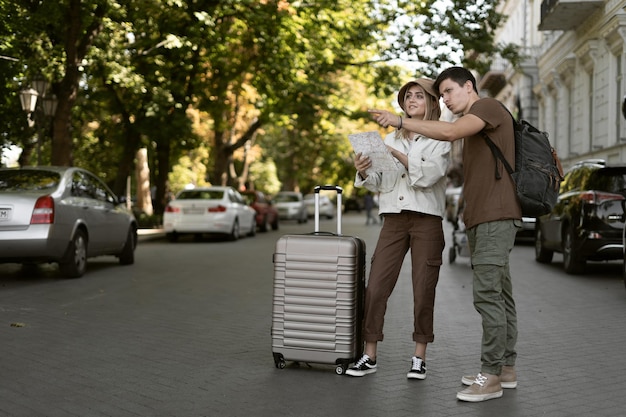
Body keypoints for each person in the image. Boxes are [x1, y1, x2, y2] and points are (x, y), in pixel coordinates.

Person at [369, 66, 522, 403]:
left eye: (450, 91)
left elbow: (450, 133)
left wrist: (400, 122)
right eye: (443, 94)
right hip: (482, 217)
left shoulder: (486, 108)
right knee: (501, 293)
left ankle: (491, 375)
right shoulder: (474, 122)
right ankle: (506, 368)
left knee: (486, 295)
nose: (447, 99)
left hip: (496, 216)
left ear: (469, 87)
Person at [346, 78, 450, 380]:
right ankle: (369, 354)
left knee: (423, 288)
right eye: (407, 96)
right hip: (393, 218)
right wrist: (364, 170)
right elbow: (379, 182)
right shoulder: (388, 140)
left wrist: (399, 156)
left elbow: (429, 175)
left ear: (432, 103)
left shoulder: (441, 138)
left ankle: (419, 356)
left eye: (419, 96)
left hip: (427, 219)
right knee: (376, 286)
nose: (412, 100)